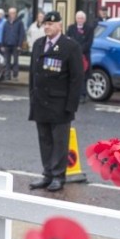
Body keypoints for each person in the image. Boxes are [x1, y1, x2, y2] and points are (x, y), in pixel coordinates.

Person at [28, 11, 84, 192]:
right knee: (44, 140)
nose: (47, 27)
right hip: (40, 102)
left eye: (51, 24)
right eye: (45, 24)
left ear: (60, 25)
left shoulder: (70, 46)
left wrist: (71, 106)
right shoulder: (38, 44)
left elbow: (76, 79)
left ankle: (59, 176)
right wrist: (32, 98)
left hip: (60, 104)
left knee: (60, 142)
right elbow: (32, 75)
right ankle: (47, 174)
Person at [66, 10, 94, 103]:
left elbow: (89, 43)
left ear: (84, 19)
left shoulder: (89, 29)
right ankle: (74, 95)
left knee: (83, 76)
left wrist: (80, 50)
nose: (80, 20)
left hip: (84, 55)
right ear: (76, 19)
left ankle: (83, 95)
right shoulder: (70, 28)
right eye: (78, 18)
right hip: (73, 55)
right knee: (74, 75)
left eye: (82, 18)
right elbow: (68, 40)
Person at [1, 7, 26, 81]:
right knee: (7, 61)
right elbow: (3, 34)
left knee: (15, 61)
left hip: (16, 45)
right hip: (7, 44)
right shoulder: (6, 22)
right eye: (10, 13)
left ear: (16, 13)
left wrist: (19, 45)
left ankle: (15, 76)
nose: (12, 14)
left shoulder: (20, 22)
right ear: (8, 14)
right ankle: (7, 76)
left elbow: (22, 34)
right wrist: (2, 45)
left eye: (13, 13)